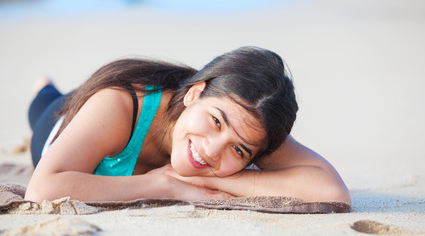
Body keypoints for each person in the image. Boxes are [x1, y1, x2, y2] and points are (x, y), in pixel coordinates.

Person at [25, 46, 350, 205]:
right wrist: (164, 185)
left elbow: (332, 192)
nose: (212, 150)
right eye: (215, 121)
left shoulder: (251, 126)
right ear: (196, 92)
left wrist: (227, 182)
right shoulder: (121, 103)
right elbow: (42, 189)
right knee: (42, 103)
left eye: (239, 151)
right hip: (59, 120)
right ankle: (44, 85)